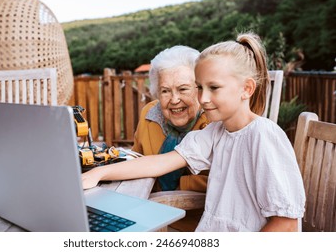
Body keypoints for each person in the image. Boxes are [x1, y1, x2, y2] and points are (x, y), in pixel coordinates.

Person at [82, 32, 306, 232]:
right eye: (199, 87)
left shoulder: (264, 136)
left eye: (214, 88)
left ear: (246, 89)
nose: (203, 98)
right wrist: (97, 174)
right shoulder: (217, 132)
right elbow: (159, 162)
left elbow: (286, 224)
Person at [132, 45, 209, 191]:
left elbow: (226, 182)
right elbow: (136, 157)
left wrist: (182, 186)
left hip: (197, 212)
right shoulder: (149, 113)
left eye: (183, 89)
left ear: (199, 88)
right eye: (165, 91)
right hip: (150, 205)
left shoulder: (214, 119)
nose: (174, 100)